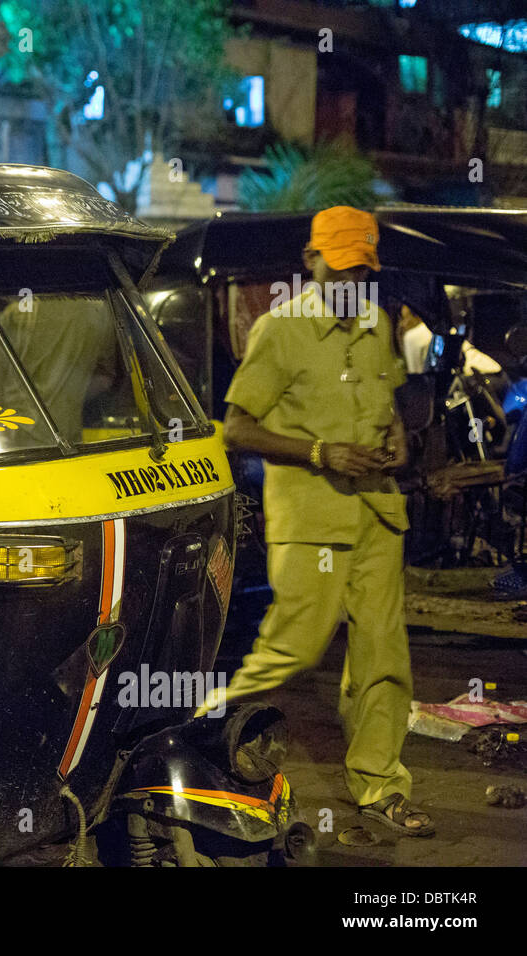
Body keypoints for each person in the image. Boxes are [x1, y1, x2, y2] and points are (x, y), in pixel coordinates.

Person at [196, 206, 434, 837]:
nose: (351, 279)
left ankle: (381, 784)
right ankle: (191, 724)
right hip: (312, 520)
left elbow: (387, 409)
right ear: (311, 261)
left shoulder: (377, 325)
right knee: (293, 648)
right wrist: (320, 452)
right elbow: (238, 429)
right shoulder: (281, 330)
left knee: (384, 657)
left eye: (362, 268)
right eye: (341, 265)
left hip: (378, 514)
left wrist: (397, 439)